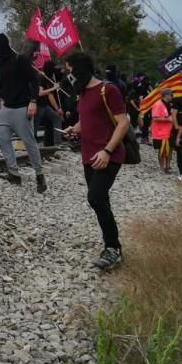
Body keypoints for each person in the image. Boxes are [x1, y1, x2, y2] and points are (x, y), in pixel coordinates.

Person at [64, 52, 130, 270]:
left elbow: (123, 123)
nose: (68, 75)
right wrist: (74, 129)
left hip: (108, 155)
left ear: (80, 69)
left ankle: (113, 249)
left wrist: (108, 150)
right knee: (101, 200)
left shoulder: (108, 90)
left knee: (96, 198)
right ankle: (111, 244)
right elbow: (87, 120)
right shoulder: (82, 93)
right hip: (89, 156)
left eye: (69, 70)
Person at [0, 34, 47, 193]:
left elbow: (35, 79)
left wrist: (33, 101)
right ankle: (14, 173)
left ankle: (40, 175)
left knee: (29, 143)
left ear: (3, 46)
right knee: (1, 137)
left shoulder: (20, 60)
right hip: (6, 109)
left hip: (22, 108)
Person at [36, 60, 63, 147]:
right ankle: (31, 145)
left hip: (44, 106)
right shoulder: (41, 77)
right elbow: (40, 93)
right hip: (37, 105)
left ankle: (58, 143)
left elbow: (50, 96)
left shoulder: (49, 78)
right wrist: (53, 88)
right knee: (34, 126)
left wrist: (57, 109)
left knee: (57, 118)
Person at [150, 88, 175, 172]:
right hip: (160, 132)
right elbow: (155, 118)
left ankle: (167, 166)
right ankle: (161, 167)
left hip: (168, 131)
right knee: (162, 150)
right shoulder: (158, 104)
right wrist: (167, 120)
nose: (172, 96)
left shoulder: (169, 104)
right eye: (171, 94)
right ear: (166, 95)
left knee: (170, 149)